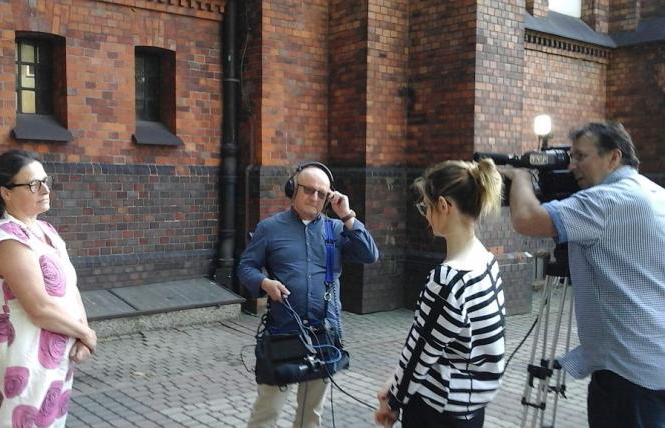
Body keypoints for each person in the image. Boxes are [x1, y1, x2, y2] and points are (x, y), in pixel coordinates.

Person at [499, 122, 665, 428]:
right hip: (655, 361)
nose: (572, 165)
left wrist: (520, 176)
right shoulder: (654, 193)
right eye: (570, 156)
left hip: (627, 373)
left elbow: (527, 219)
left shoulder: (606, 200)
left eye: (580, 156)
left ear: (613, 157)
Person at [239, 161, 379, 428]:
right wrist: (264, 283)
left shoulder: (335, 229)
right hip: (282, 332)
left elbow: (369, 254)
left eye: (321, 193)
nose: (315, 197)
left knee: (311, 414)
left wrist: (347, 215)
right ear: (293, 188)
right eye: (309, 190)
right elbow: (246, 267)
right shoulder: (270, 228)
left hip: (324, 335)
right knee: (267, 411)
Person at [0, 150, 97, 428]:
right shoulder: (8, 239)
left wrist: (82, 333)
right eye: (33, 184)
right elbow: (38, 308)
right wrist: (86, 334)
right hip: (20, 352)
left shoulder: (45, 230)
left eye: (45, 181)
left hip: (50, 352)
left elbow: (70, 288)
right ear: (6, 193)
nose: (45, 190)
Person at [375, 158, 506, 428]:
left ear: (444, 206)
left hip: (437, 411)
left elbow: (419, 352)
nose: (425, 214)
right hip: (470, 408)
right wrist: (395, 384)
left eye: (426, 206)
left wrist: (394, 400)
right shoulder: (486, 261)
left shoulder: (447, 280)